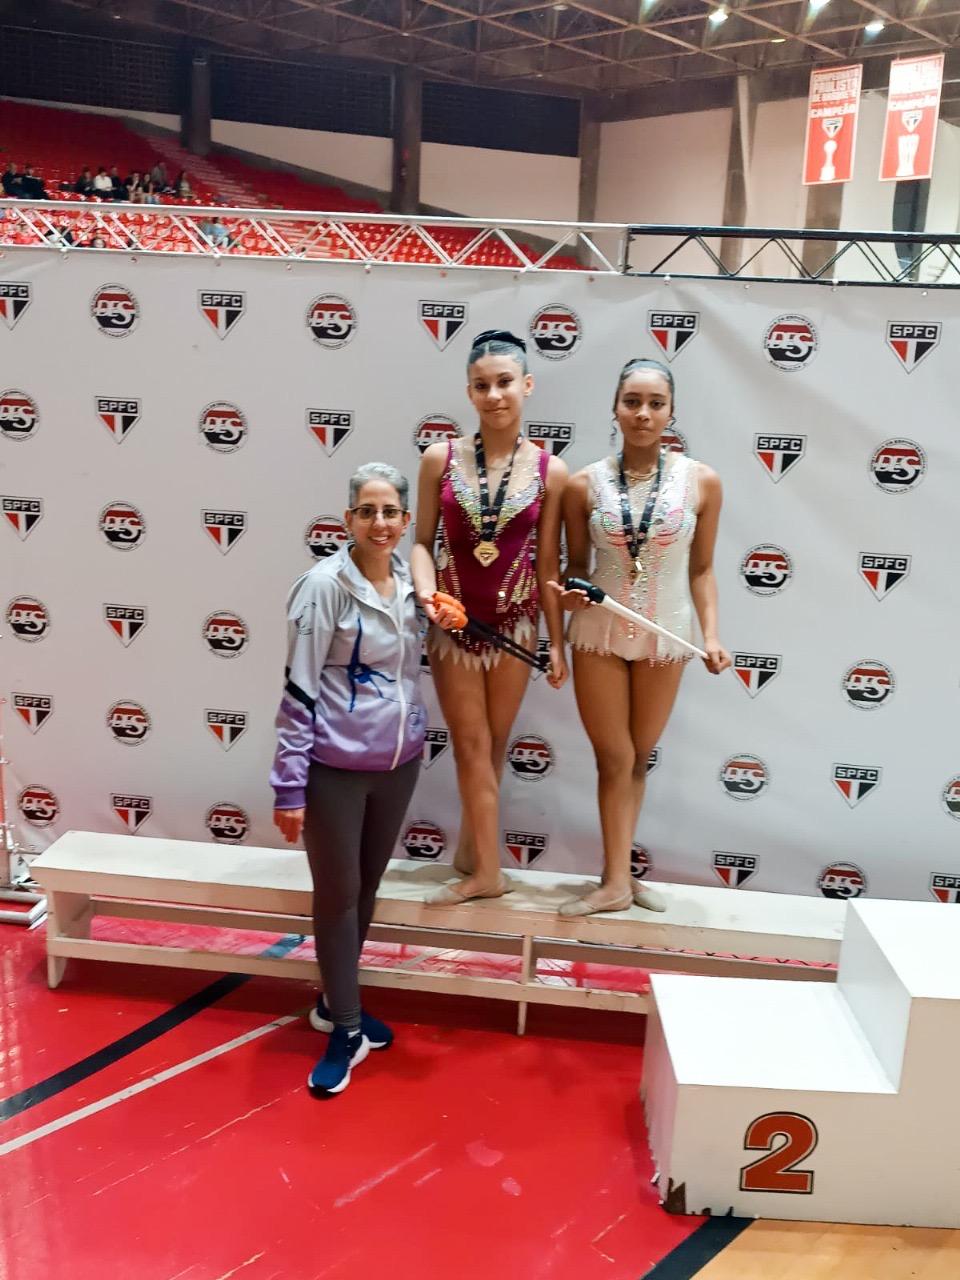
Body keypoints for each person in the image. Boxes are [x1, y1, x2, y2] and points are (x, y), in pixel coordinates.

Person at [271, 462, 453, 1097]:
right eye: (367, 511)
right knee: (337, 896)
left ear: (405, 521)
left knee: (365, 888)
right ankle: (346, 1029)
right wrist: (289, 785)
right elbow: (298, 688)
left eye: (391, 512)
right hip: (334, 770)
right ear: (348, 519)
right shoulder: (322, 587)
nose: (380, 523)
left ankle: (333, 1004)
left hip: (398, 764)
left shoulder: (412, 584)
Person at [550, 357, 731, 917]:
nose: (643, 413)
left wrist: (712, 635)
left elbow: (702, 568)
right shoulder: (583, 484)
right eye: (632, 402)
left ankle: (621, 875)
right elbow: (575, 565)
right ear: (615, 408)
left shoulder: (702, 481)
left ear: (672, 411)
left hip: (666, 632)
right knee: (614, 755)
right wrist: (572, 593)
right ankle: (612, 881)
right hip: (598, 632)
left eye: (655, 403)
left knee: (638, 757)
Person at [411, 329, 568, 906]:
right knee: (471, 744)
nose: (494, 395)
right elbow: (421, 541)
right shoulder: (439, 459)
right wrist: (427, 594)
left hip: (516, 626)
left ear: (527, 385)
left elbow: (548, 563)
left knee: (495, 744)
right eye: (482, 385)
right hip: (453, 626)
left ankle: (471, 854)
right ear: (468, 392)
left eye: (504, 383)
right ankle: (489, 874)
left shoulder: (552, 471)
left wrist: (557, 644)